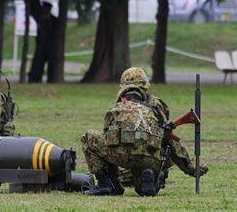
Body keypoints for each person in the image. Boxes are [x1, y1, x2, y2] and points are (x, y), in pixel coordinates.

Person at [81, 67, 208, 196]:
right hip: (150, 156)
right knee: (152, 162)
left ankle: (108, 184)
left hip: (121, 157)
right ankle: (151, 180)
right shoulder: (155, 104)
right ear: (145, 86)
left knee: (90, 137)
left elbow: (108, 137)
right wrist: (191, 169)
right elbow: (166, 136)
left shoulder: (117, 107)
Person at [28, 0, 56, 83]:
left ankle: (51, 79)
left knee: (51, 64)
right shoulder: (40, 19)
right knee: (38, 63)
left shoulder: (53, 20)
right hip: (41, 45)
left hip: (50, 46)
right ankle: (36, 79)